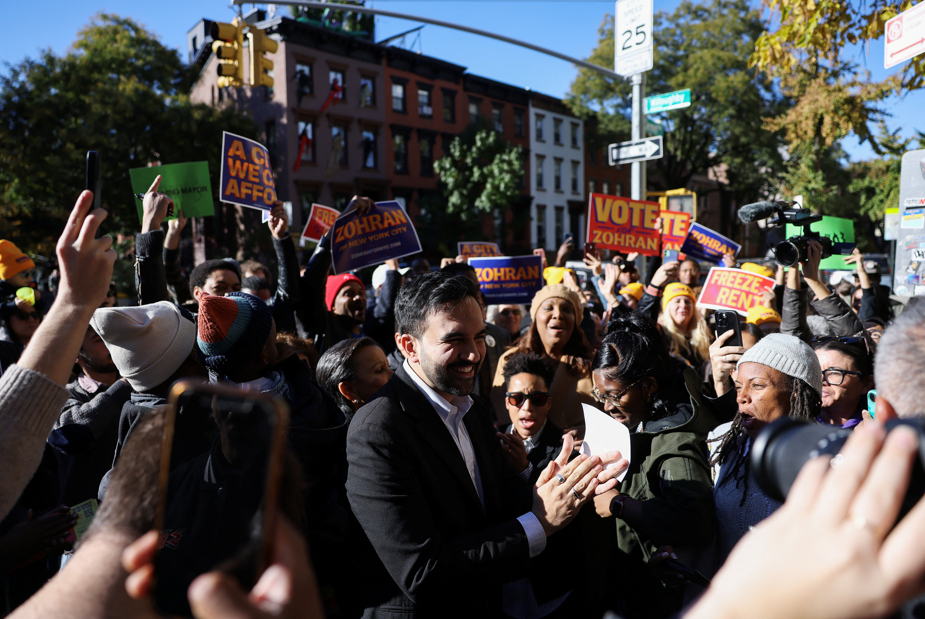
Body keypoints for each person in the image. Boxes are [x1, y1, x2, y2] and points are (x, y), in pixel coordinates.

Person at [345, 271, 610, 618]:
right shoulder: (377, 430)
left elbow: (495, 506)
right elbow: (422, 572)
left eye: (480, 337)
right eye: (455, 340)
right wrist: (539, 522)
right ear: (409, 346)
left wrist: (553, 486)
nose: (474, 355)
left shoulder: (473, 409)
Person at [0, 189, 116, 521]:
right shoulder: (67, 396)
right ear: (75, 356)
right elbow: (12, 445)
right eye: (94, 336)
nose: (33, 319)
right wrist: (72, 303)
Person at [590, 319, 714, 619]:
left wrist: (619, 504)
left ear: (648, 387)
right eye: (599, 396)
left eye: (614, 395)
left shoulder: (675, 443)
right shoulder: (637, 425)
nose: (607, 406)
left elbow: (696, 519)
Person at [706, 334, 822, 571]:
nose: (741, 397)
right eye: (738, 386)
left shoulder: (825, 456)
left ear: (796, 391)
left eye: (757, 385)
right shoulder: (723, 443)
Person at [491, 284, 595, 440]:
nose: (557, 314)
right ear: (535, 317)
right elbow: (501, 411)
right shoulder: (509, 360)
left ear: (576, 320)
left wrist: (591, 431)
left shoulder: (591, 365)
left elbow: (610, 414)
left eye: (567, 309)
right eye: (548, 308)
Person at [50, 323, 133, 506]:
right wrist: (125, 385)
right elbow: (69, 435)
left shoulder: (140, 387)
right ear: (75, 355)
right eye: (98, 340)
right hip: (92, 517)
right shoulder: (64, 394)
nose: (109, 344)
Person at [497, 351, 563, 484]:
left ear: (548, 403)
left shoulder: (564, 450)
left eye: (538, 399)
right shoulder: (491, 439)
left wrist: (525, 469)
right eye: (517, 398)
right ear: (507, 402)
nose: (527, 407)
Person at [316, 336, 393, 420]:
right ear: (348, 390)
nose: (393, 374)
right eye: (379, 370)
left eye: (388, 366)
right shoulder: (365, 431)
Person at [811, 337, 875, 429]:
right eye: (815, 371)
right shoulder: (792, 422)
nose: (820, 380)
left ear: (866, 384)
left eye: (834, 372)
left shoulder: (880, 428)